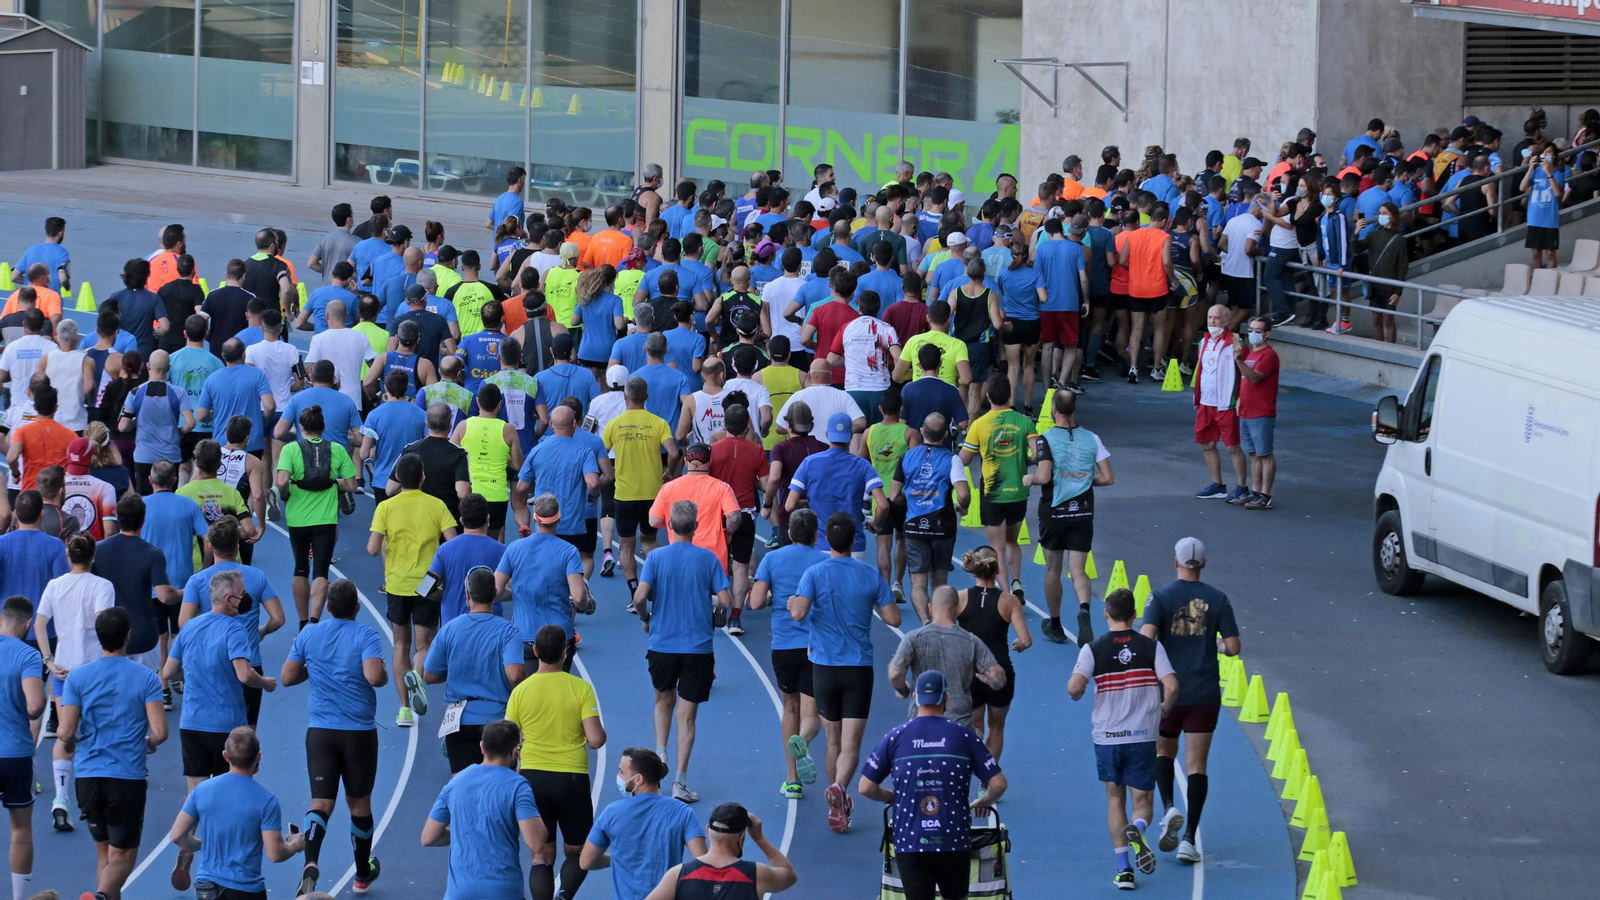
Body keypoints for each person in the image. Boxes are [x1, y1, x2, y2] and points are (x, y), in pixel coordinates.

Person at [789, 513, 900, 833]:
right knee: (851, 745)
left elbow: (797, 613)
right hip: (858, 669)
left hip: (823, 669)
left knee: (833, 741)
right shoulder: (868, 574)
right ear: (854, 541)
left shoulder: (813, 572)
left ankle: (836, 798)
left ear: (826, 539)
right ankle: (840, 788)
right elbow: (893, 619)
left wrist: (795, 601)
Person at [857, 670, 1006, 900]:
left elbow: (866, 787)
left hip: (911, 839)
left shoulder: (895, 737)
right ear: (945, 698)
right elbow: (999, 784)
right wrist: (983, 801)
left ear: (915, 697)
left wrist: (891, 796)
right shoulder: (963, 736)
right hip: (953, 839)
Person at [280, 578, 387, 895]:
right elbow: (373, 676)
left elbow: (287, 677)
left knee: (320, 802)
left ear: (327, 607)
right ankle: (362, 874)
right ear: (357, 607)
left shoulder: (309, 634)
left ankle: (310, 863)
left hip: (321, 733)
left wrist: (313, 667)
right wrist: (379, 673)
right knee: (359, 804)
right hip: (359, 735)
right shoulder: (366, 634)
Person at [1067, 588, 1179, 891]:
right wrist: (1164, 709)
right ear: (1133, 616)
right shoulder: (1151, 647)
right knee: (1142, 802)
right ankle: (1139, 828)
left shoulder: (1093, 649)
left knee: (1114, 799)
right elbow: (1171, 685)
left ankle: (1124, 871)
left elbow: (1074, 688)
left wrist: (1081, 690)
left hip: (1107, 738)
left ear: (1106, 614)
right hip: (1142, 737)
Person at [1139, 537, 1240, 865]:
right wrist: (1215, 648)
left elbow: (1147, 638)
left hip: (1168, 693)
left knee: (1163, 752)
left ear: (1175, 562)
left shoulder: (1160, 596)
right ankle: (1189, 839)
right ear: (1204, 564)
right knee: (1197, 766)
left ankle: (1168, 807)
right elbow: (1234, 646)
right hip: (1204, 693)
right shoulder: (1219, 599)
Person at [56, 606, 167, 900]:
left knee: (105, 856)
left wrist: (73, 741)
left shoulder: (77, 678)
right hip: (126, 777)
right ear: (128, 636)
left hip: (88, 777)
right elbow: (160, 732)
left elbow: (65, 733)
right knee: (122, 859)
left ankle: (102, 894)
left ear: (99, 637)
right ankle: (102, 896)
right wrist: (148, 744)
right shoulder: (146, 677)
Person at [633, 500, 733, 803]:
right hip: (698, 648)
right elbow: (726, 600)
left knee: (663, 702)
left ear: (669, 527)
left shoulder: (656, 557)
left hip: (662, 645)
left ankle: (660, 752)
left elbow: (640, 597)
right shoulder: (708, 558)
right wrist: (714, 609)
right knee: (687, 718)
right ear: (697, 526)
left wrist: (645, 618)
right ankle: (679, 782)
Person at [503, 624, 605, 900]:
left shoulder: (520, 691)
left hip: (532, 779)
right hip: (571, 778)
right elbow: (595, 740)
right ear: (565, 651)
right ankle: (564, 896)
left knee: (541, 854)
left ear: (534, 651)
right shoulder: (580, 688)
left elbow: (508, 740)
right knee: (579, 851)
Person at [165, 570, 277, 798]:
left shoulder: (189, 627)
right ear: (229, 599)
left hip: (192, 722)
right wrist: (265, 683)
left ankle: (186, 834)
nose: (247, 598)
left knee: (195, 793)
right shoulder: (235, 629)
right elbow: (244, 675)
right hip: (226, 726)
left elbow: (168, 671)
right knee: (229, 792)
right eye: (243, 593)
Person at [367, 452, 457, 726]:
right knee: (424, 645)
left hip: (396, 584)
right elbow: (452, 543)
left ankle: (404, 710)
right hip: (427, 585)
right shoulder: (437, 505)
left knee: (400, 644)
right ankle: (417, 674)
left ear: (398, 479)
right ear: (423, 477)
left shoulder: (386, 507)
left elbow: (371, 549)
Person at [167, 727, 306, 897]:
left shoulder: (202, 790)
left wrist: (200, 844)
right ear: (258, 757)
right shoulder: (267, 801)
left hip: (207, 888)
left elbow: (176, 835)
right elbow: (276, 854)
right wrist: (296, 844)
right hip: (245, 889)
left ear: (225, 756)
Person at [423, 720, 553, 900]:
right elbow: (536, 843)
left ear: (482, 747)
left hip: (459, 893)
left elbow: (428, 837)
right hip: (503, 892)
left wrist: (467, 831)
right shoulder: (517, 786)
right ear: (515, 752)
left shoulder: (455, 783)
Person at [35, 533, 113, 829]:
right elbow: (103, 622)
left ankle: (62, 799)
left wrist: (49, 660)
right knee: (97, 733)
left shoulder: (55, 586)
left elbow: (40, 623)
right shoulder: (102, 586)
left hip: (63, 672)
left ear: (69, 557)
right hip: (94, 672)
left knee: (66, 734)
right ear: (93, 556)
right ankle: (95, 799)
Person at [747, 509, 825, 799]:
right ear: (816, 535)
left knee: (789, 708)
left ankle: (792, 780)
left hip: (783, 645)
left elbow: (754, 603)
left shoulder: (772, 559)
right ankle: (803, 740)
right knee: (811, 713)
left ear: (789, 534)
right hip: (816, 646)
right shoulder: (824, 561)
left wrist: (770, 597)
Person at [177, 515, 282, 727]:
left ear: (209, 546)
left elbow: (184, 624)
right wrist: (260, 632)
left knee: (213, 727)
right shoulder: (256, 576)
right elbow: (278, 618)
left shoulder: (197, 581)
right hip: (249, 664)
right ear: (237, 546)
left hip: (212, 664)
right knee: (247, 736)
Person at [1029, 388, 1113, 646]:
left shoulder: (1045, 439)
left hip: (1054, 512)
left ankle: (1055, 624)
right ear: (1074, 410)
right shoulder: (1092, 438)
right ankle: (1085, 609)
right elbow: (1108, 477)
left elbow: (1043, 477)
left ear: (1054, 409)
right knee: (1078, 570)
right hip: (1083, 511)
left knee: (1053, 569)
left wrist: (1029, 479)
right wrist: (1084, 481)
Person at [424, 566, 524, 772]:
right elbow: (514, 675)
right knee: (499, 786)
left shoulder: (450, 629)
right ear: (495, 594)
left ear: (467, 595)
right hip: (497, 721)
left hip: (459, 720)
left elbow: (430, 675)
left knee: (461, 787)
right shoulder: (508, 631)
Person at [580, 748, 707, 899]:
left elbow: (586, 862)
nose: (618, 776)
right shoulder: (683, 812)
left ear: (638, 779)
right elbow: (703, 864)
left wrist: (619, 858)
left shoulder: (611, 813)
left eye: (621, 772)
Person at [276, 404, 357, 628]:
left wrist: (284, 495)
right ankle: (313, 622)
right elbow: (351, 484)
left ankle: (302, 624)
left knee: (300, 567)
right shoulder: (338, 450)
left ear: (301, 427)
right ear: (323, 427)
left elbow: (282, 481)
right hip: (326, 519)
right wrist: (335, 482)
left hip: (297, 518)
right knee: (321, 570)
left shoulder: (290, 450)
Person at [958, 375, 1036, 598]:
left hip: (992, 492)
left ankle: (1006, 593)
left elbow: (964, 459)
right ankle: (1017, 581)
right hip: (1018, 491)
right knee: (1012, 541)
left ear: (988, 396)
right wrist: (1026, 460)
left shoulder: (979, 424)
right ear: (1010, 396)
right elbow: (1037, 453)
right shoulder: (1025, 422)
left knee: (997, 548)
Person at [887, 584, 1005, 729]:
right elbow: (998, 680)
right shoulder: (972, 641)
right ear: (959, 609)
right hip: (959, 726)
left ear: (930, 608)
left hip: (921, 724)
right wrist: (978, 676)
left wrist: (903, 690)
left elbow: (894, 674)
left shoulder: (913, 638)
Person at [138, 461, 209, 704]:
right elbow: (207, 539)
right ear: (175, 481)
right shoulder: (188, 505)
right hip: (182, 583)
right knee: (181, 631)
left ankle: (164, 687)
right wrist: (205, 568)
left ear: (150, 480)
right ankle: (181, 672)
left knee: (160, 635)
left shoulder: (142, 506)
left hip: (151, 584)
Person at [889, 412, 969, 624]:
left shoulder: (906, 457)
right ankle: (941, 622)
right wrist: (964, 507)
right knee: (940, 582)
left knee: (917, 583)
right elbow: (963, 494)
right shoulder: (952, 459)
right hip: (943, 526)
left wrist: (910, 502)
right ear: (944, 435)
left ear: (922, 432)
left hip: (914, 526)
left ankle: (926, 623)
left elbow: (894, 494)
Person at [603, 377, 679, 595]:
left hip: (624, 495)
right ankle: (658, 583)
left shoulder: (614, 425)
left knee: (626, 546)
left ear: (625, 396)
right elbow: (673, 453)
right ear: (646, 397)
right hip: (652, 494)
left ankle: (635, 591)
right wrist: (670, 472)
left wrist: (610, 473)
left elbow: (600, 454)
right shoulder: (658, 422)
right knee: (649, 540)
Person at [497, 493, 588, 673]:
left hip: (524, 637)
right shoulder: (569, 552)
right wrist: (583, 606)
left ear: (535, 518)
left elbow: (496, 590)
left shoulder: (514, 548)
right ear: (559, 518)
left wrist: (515, 594)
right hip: (559, 639)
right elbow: (579, 597)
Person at [956, 547, 1031, 759]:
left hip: (970, 670)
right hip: (999, 670)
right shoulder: (1009, 601)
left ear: (974, 569)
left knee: (975, 725)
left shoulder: (960, 597)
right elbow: (1026, 640)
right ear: (997, 569)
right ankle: (986, 781)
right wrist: (1020, 645)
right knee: (996, 728)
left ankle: (969, 760)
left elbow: (945, 631)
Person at [91, 493, 176, 673]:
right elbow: (165, 596)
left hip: (109, 637)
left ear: (117, 517)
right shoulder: (153, 554)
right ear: (143, 519)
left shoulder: (97, 550)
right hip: (143, 637)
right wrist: (185, 591)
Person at [784, 412, 885, 561]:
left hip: (820, 546)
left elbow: (789, 505)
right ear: (850, 436)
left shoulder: (809, 463)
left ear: (827, 434)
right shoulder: (862, 465)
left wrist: (808, 503)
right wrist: (876, 523)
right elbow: (883, 505)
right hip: (854, 546)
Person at [643, 802, 797, 900]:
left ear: (708, 831)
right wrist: (759, 838)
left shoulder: (678, 875)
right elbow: (788, 874)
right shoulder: (756, 875)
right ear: (741, 838)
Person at [514, 406, 600, 561]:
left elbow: (521, 487)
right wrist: (594, 496)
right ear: (574, 424)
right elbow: (593, 484)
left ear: (552, 424)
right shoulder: (584, 451)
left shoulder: (537, 450)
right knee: (573, 567)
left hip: (544, 523)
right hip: (573, 526)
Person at [0, 596, 43, 900]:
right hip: (14, 755)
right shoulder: (28, 655)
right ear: (28, 624)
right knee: (20, 829)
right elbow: (36, 704)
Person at [647, 442, 739, 577]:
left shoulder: (668, 488)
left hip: (680, 557)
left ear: (685, 461)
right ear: (710, 461)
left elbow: (654, 521)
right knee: (714, 596)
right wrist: (727, 534)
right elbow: (735, 518)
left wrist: (669, 522)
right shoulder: (722, 488)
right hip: (714, 556)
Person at [1190, 304, 1249, 504]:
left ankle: (1241, 487)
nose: (1212, 321)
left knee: (1232, 447)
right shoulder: (1202, 343)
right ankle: (1217, 485)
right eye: (1209, 318)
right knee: (1207, 443)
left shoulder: (1236, 343)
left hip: (1227, 404)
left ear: (1225, 321)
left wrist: (1241, 398)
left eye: (1216, 318)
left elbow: (1245, 374)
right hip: (1205, 403)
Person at [451, 383, 523, 539]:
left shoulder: (463, 426)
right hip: (497, 496)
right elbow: (518, 465)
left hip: (470, 494)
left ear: (478, 402)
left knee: (469, 540)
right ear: (499, 404)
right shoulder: (508, 429)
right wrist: (503, 457)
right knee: (492, 542)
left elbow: (450, 457)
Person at [359, 369, 429, 504]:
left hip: (383, 481)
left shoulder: (374, 415)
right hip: (413, 481)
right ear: (406, 388)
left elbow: (363, 453)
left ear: (385, 387)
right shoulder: (421, 414)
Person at [1233, 316, 1280, 510]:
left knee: (1265, 454)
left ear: (1267, 334)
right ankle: (1255, 490)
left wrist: (1239, 361)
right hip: (1246, 410)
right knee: (1253, 453)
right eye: (1251, 329)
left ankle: (1265, 495)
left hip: (1261, 412)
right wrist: (1239, 399)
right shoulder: (1252, 355)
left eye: (1258, 330)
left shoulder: (1268, 355)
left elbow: (1253, 378)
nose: (1253, 333)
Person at [306, 299, 376, 409]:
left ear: (327, 316)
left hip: (326, 402)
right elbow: (374, 367)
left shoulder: (318, 339)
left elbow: (310, 368)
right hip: (354, 401)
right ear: (347, 315)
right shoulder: (361, 337)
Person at [8, 386, 74, 498]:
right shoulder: (70, 435)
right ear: (56, 408)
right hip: (56, 495)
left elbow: (11, 457)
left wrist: (16, 474)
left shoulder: (22, 432)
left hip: (31, 493)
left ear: (35, 407)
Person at [35, 319, 88, 434]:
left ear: (57, 338)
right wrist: (90, 398)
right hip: (76, 422)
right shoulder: (86, 361)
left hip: (51, 419)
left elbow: (37, 386)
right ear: (77, 338)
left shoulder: (45, 359)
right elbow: (89, 387)